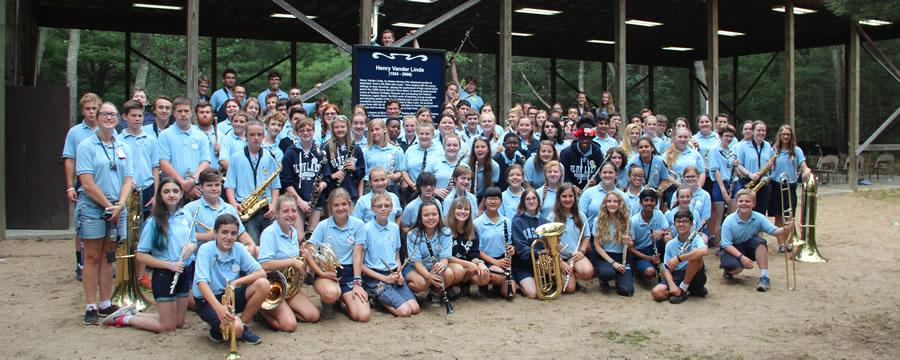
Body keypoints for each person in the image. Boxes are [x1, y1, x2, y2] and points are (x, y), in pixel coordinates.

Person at [103, 178, 194, 331]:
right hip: (164, 275)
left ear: (181, 194)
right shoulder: (153, 222)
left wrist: (192, 246)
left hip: (184, 273)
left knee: (178, 323)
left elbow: (193, 241)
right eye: (166, 191)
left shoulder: (187, 215)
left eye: (175, 191)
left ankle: (135, 314)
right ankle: (126, 318)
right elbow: (141, 255)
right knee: (167, 326)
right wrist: (169, 265)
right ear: (160, 195)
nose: (171, 195)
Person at [75, 101, 134, 324]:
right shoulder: (86, 146)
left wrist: (119, 204)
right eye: (104, 114)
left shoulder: (123, 146)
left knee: (109, 256)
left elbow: (129, 179)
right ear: (97, 118)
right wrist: (108, 206)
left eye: (113, 114)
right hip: (93, 207)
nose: (109, 117)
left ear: (118, 119)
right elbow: (87, 183)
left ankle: (105, 302)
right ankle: (90, 304)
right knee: (91, 256)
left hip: (117, 208)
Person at [193, 214, 268, 345]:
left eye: (233, 233)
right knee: (235, 329)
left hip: (229, 295)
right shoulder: (206, 249)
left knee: (263, 284)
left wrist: (236, 282)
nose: (229, 237)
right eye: (224, 232)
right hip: (208, 301)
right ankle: (220, 330)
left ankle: (243, 324)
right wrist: (219, 309)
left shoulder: (238, 248)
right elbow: (201, 283)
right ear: (215, 233)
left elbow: (261, 273)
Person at [305, 189, 370, 321]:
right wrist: (321, 273)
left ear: (349, 204)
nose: (340, 208)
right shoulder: (323, 225)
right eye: (336, 205)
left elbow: (357, 255)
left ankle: (341, 300)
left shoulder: (359, 225)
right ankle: (330, 300)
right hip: (328, 274)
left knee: (362, 316)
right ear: (330, 207)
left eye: (344, 204)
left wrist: (357, 282)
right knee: (331, 293)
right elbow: (308, 252)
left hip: (349, 274)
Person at [257, 195, 320, 331]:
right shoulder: (269, 233)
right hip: (272, 286)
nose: (291, 215)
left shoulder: (293, 231)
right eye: (286, 211)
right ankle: (260, 310)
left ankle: (285, 309)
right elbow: (265, 264)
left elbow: (294, 260)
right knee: (290, 325)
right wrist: (292, 262)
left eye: (293, 211)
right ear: (278, 213)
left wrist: (303, 256)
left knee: (313, 315)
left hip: (289, 287)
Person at [720, 189, 793, 292]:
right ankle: (729, 271)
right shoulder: (729, 221)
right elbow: (726, 245)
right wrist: (742, 258)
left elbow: (775, 231)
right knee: (736, 268)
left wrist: (786, 228)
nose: (744, 204)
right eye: (741, 201)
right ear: (736, 203)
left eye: (747, 201)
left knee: (760, 242)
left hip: (748, 246)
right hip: (732, 249)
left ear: (753, 204)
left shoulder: (759, 217)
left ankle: (764, 277)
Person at [361, 193, 420, 317]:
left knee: (415, 309)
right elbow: (361, 266)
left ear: (391, 208)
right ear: (372, 209)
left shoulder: (394, 228)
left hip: (393, 274)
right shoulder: (365, 229)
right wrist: (384, 279)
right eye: (379, 206)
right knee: (405, 312)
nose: (383, 208)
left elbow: (397, 257)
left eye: (387, 205)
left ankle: (385, 296)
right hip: (375, 278)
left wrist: (400, 273)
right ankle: (376, 298)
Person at [224, 118, 281, 244]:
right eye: (252, 134)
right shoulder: (236, 158)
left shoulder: (270, 157)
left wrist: (274, 204)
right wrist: (234, 205)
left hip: (267, 208)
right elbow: (229, 186)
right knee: (252, 245)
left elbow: (275, 186)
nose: (256, 138)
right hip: (246, 209)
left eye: (259, 134)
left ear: (263, 135)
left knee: (270, 244)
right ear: (246, 136)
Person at [183, 169, 258, 257]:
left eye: (217, 185)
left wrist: (250, 244)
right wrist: (206, 237)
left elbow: (241, 233)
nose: (214, 188)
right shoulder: (190, 208)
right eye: (209, 185)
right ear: (201, 187)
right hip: (201, 259)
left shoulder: (229, 208)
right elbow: (182, 234)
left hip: (227, 259)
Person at [405, 201, 461, 304]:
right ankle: (412, 294)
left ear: (439, 216)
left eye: (434, 214)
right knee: (421, 283)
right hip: (415, 268)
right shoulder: (412, 234)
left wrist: (442, 265)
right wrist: (428, 276)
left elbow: (444, 258)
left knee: (450, 272)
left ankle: (435, 293)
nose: (431, 218)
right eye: (426, 215)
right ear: (420, 217)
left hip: (434, 267)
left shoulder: (446, 232)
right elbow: (417, 262)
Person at [280, 118, 327, 237]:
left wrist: (322, 185)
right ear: (296, 132)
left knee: (312, 238)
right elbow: (286, 182)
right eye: (302, 130)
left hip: (316, 203)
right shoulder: (290, 153)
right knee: (299, 237)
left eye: (309, 130)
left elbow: (327, 177)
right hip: (297, 202)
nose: (305, 133)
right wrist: (300, 202)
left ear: (313, 131)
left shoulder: (320, 152)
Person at [650, 208, 708, 303]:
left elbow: (704, 251)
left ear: (691, 224)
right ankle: (685, 291)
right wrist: (672, 284)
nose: (681, 224)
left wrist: (679, 258)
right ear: (674, 224)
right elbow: (666, 268)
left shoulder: (696, 238)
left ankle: (683, 289)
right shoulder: (670, 244)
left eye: (685, 221)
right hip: (677, 274)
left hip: (695, 275)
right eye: (678, 221)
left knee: (695, 256)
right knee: (656, 293)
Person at [158, 96, 210, 202]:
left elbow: (205, 162)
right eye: (179, 111)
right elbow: (163, 163)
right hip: (172, 189)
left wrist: (193, 181)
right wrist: (182, 183)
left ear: (191, 112)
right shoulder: (165, 135)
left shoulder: (201, 135)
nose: (183, 114)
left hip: (196, 188)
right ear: (174, 113)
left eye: (186, 111)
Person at [770, 124, 812, 253]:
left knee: (790, 216)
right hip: (776, 184)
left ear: (791, 136)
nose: (785, 136)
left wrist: (806, 171)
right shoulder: (774, 150)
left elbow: (803, 165)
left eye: (788, 134)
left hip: (790, 185)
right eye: (783, 134)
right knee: (778, 217)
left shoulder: (797, 150)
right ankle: (781, 243)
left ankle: (789, 241)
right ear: (779, 135)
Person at [584, 192, 634, 296]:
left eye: (615, 201)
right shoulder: (598, 220)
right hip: (605, 256)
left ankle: (618, 278)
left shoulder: (627, 220)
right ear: (605, 204)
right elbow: (597, 246)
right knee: (607, 273)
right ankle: (605, 278)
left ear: (620, 204)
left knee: (627, 291)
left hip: (622, 257)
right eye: (609, 201)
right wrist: (613, 263)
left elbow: (631, 246)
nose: (612, 204)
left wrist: (629, 243)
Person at [116, 100, 159, 219]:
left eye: (140, 115)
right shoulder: (118, 141)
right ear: (125, 117)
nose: (137, 119)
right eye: (133, 115)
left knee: (147, 227)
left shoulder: (151, 139)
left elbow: (155, 168)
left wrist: (155, 195)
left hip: (147, 188)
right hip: (127, 189)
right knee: (129, 228)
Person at [547, 183, 594, 293]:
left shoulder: (581, 215)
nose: (568, 199)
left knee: (588, 272)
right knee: (570, 289)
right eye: (564, 196)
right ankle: (561, 275)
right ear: (559, 198)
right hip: (558, 257)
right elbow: (548, 244)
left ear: (575, 197)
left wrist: (582, 251)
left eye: (570, 196)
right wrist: (560, 262)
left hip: (574, 256)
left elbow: (586, 236)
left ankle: (570, 275)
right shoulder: (552, 217)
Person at [475, 187, 516, 298]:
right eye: (490, 199)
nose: (493, 201)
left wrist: (512, 248)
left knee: (510, 293)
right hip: (486, 260)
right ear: (484, 201)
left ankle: (497, 285)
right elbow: (477, 251)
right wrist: (495, 262)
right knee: (499, 276)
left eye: (496, 199)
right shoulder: (477, 223)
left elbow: (509, 243)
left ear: (501, 202)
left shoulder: (506, 221)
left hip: (503, 260)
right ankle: (485, 284)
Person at [446, 197, 491, 297]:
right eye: (459, 208)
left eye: (466, 209)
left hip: (466, 268)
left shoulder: (473, 229)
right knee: (459, 270)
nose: (463, 211)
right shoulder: (446, 229)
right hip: (449, 265)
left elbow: (474, 254)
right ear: (453, 210)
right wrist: (469, 264)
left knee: (484, 277)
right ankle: (448, 287)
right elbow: (446, 256)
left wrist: (479, 263)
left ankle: (464, 284)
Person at [509, 188, 548, 299]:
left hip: (540, 264)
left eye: (534, 198)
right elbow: (521, 250)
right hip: (523, 265)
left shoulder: (545, 222)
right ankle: (518, 283)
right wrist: (540, 252)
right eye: (528, 199)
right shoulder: (517, 221)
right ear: (523, 202)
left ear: (538, 201)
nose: (531, 201)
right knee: (533, 294)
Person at [628, 189, 672, 282]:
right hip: (641, 253)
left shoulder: (659, 214)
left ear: (656, 203)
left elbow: (668, 231)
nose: (649, 203)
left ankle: (671, 267)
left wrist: (661, 231)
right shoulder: (634, 221)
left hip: (654, 248)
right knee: (650, 273)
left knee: (668, 237)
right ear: (640, 203)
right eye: (646, 200)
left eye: (652, 200)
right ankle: (640, 269)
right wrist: (649, 258)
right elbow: (631, 248)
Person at [734, 120, 776, 214]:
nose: (761, 133)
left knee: (761, 213)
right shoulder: (743, 146)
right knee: (747, 211)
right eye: (758, 130)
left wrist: (770, 166)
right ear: (753, 131)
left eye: (763, 130)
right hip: (749, 182)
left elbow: (771, 163)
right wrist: (750, 175)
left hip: (763, 183)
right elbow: (738, 164)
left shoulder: (768, 145)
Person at [323, 115, 366, 202]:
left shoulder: (356, 148)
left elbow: (361, 174)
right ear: (332, 129)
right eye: (336, 127)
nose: (340, 129)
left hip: (351, 193)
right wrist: (332, 176)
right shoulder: (326, 148)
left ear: (348, 127)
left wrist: (354, 169)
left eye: (343, 127)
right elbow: (321, 172)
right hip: (332, 193)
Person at [709, 124, 739, 247]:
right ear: (720, 136)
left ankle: (728, 243)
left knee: (730, 217)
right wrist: (724, 191)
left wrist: (736, 166)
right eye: (726, 136)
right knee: (719, 217)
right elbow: (716, 171)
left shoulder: (732, 150)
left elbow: (733, 170)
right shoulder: (714, 150)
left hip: (734, 183)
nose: (729, 138)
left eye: (731, 136)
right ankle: (718, 244)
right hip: (720, 185)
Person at [661, 128, 705, 210]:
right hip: (674, 189)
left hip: (693, 189)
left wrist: (697, 187)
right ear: (674, 138)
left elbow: (702, 172)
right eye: (680, 137)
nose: (683, 139)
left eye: (685, 137)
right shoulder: (666, 155)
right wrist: (679, 185)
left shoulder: (695, 154)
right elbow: (664, 173)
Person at [365, 118, 409, 194]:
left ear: (385, 130)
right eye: (372, 130)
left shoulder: (396, 150)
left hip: (390, 187)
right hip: (371, 189)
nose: (374, 132)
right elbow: (364, 175)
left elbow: (400, 171)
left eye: (377, 129)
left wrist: (394, 176)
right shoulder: (366, 151)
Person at [560, 119, 604, 190]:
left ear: (592, 138)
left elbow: (602, 170)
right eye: (582, 137)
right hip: (570, 190)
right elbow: (563, 173)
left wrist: (595, 180)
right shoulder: (566, 152)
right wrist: (572, 186)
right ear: (578, 137)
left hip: (591, 190)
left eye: (588, 138)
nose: (585, 140)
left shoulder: (597, 152)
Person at [428, 133, 466, 198]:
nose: (451, 148)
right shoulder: (434, 163)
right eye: (448, 145)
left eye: (455, 145)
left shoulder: (465, 167)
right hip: (436, 202)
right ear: (443, 147)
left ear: (459, 147)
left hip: (457, 204)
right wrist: (434, 190)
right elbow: (424, 183)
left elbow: (468, 188)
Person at [468, 137, 499, 201]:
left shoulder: (495, 166)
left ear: (488, 149)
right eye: (477, 147)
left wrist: (481, 208)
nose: (480, 149)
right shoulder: (465, 163)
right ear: (473, 149)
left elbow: (490, 190)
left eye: (483, 147)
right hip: (468, 197)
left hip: (485, 199)